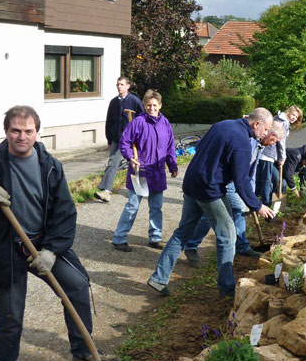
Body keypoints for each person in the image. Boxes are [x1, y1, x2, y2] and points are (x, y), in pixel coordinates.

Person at [0, 106, 117, 361]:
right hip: (8, 248)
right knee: (11, 316)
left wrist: (51, 251)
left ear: (38, 132)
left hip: (43, 243)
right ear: (6, 132)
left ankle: (83, 354)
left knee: (77, 286)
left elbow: (65, 212)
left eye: (28, 131)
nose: (22, 136)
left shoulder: (50, 166)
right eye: (15, 130)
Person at [147, 108, 275, 298]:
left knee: (183, 232)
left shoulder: (223, 124)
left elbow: (203, 152)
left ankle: (158, 279)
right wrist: (257, 205)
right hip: (209, 191)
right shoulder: (242, 142)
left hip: (192, 183)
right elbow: (241, 180)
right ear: (256, 124)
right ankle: (227, 287)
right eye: (265, 130)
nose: (265, 134)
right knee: (228, 236)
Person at [183, 121, 286, 263]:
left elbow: (251, 171)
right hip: (227, 181)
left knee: (234, 210)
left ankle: (241, 246)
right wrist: (253, 201)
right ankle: (192, 245)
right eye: (274, 140)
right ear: (270, 134)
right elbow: (239, 172)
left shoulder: (260, 143)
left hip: (235, 181)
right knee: (215, 214)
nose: (273, 144)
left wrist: (251, 196)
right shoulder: (249, 140)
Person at [111, 90, 178, 252]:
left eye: (155, 105)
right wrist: (130, 157)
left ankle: (155, 237)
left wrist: (173, 165)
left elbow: (170, 147)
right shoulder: (138, 122)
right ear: (144, 105)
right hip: (140, 171)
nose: (151, 108)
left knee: (156, 207)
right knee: (132, 206)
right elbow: (124, 142)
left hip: (157, 173)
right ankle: (119, 238)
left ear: (160, 106)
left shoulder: (165, 123)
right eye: (148, 105)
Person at [95, 77, 144, 203]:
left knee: (134, 163)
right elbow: (109, 121)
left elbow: (142, 119)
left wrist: (138, 135)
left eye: (122, 84)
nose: (119, 86)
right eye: (118, 84)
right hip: (117, 139)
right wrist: (109, 139)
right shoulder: (114, 102)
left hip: (130, 140)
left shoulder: (134, 101)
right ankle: (106, 190)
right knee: (113, 163)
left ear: (128, 86)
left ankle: (139, 188)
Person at [256, 106, 303, 207]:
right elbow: (281, 141)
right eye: (293, 114)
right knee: (267, 180)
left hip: (262, 152)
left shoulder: (277, 118)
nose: (294, 118)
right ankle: (266, 204)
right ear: (288, 112)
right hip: (268, 153)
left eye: (296, 117)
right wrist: (282, 157)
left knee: (260, 178)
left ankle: (257, 201)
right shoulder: (284, 122)